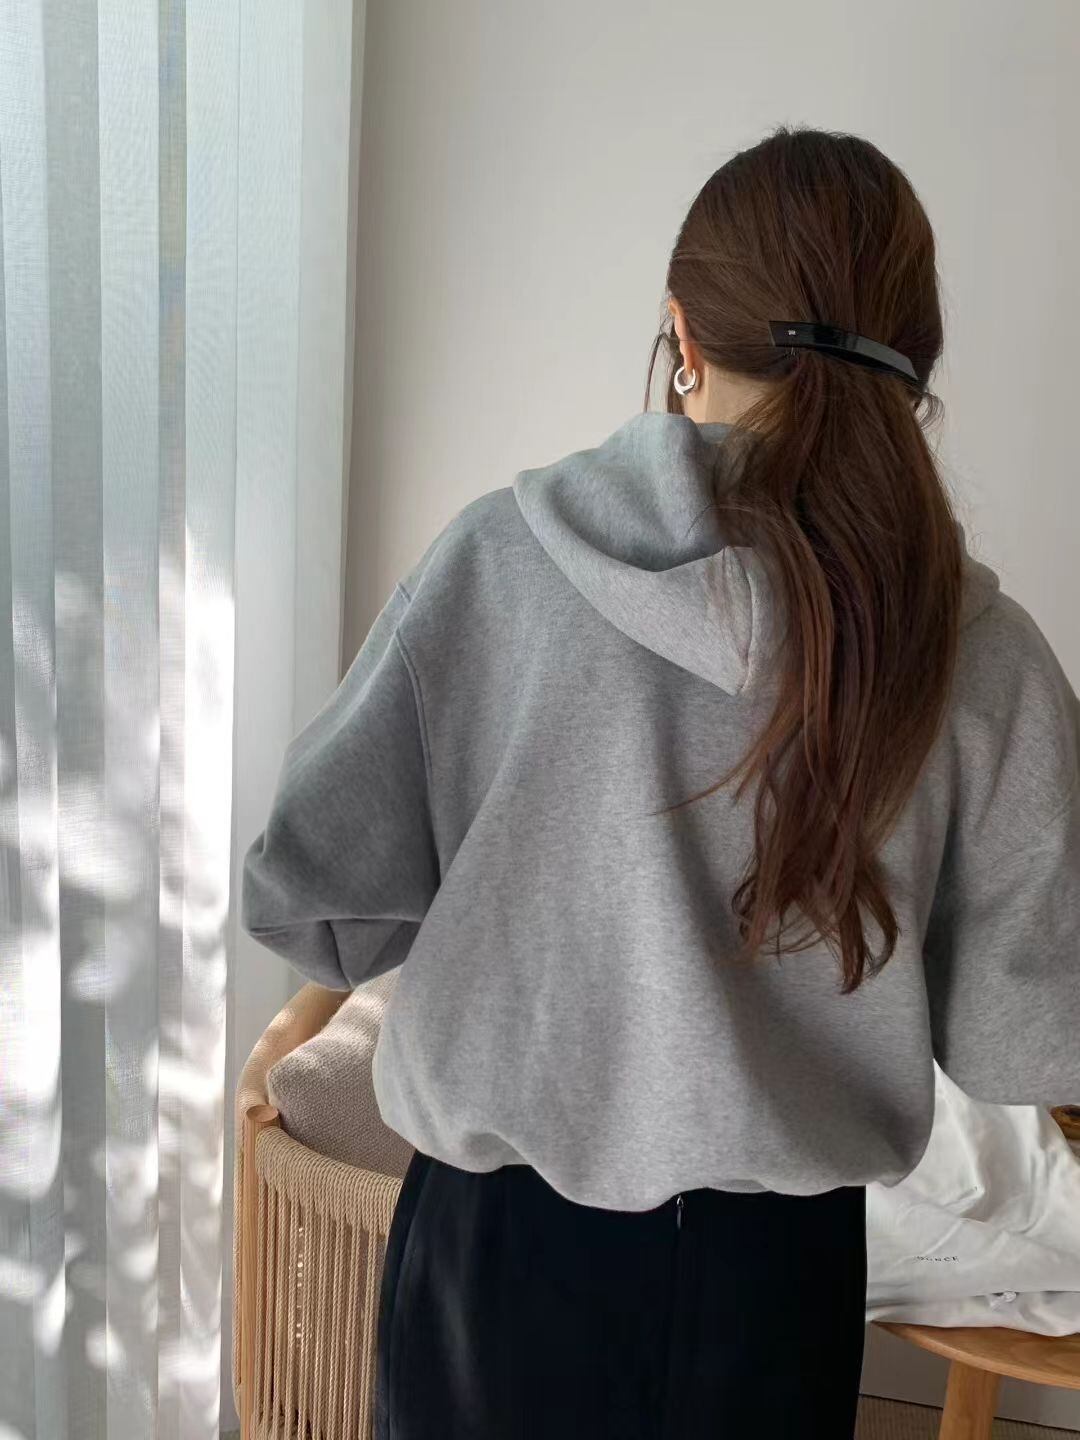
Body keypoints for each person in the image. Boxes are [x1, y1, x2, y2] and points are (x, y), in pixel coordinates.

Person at [240, 124, 1080, 1439]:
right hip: (779, 1280)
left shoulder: (499, 565)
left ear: (682, 334)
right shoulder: (981, 651)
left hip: (496, 1257)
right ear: (915, 364)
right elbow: (1026, 1038)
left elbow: (317, 900)